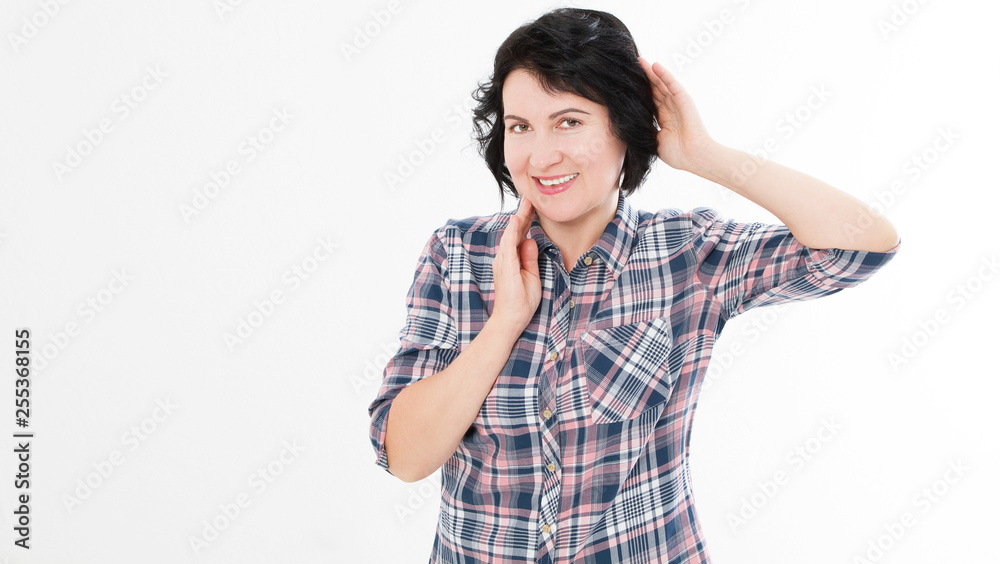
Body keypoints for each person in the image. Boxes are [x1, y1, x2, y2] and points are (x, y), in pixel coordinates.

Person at [367, 7, 901, 563]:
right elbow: (404, 456)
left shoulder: (688, 254)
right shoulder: (457, 254)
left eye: (569, 121)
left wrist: (706, 157)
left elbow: (861, 248)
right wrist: (503, 325)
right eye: (520, 126)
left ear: (624, 125)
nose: (541, 155)